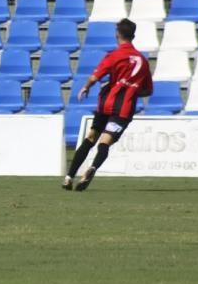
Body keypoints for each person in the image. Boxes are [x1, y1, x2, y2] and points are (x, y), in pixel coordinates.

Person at [63, 18, 153, 192]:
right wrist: (132, 89)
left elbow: (95, 76)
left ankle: (68, 177)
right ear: (133, 36)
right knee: (105, 142)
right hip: (124, 108)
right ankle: (93, 168)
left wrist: (85, 87)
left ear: (117, 34)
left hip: (106, 104)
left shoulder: (114, 56)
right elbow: (147, 90)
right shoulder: (143, 61)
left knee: (90, 138)